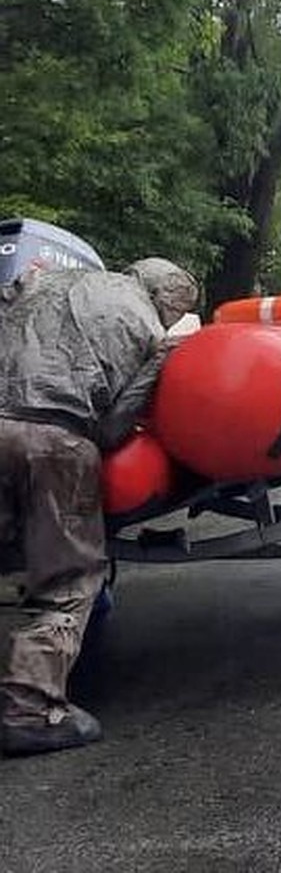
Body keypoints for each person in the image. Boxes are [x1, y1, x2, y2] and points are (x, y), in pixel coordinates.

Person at [0, 257, 199, 757]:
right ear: (167, 301)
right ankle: (30, 709)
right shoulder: (144, 323)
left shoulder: (44, 280)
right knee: (65, 579)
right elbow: (111, 429)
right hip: (52, 439)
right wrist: (160, 360)